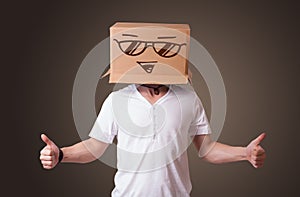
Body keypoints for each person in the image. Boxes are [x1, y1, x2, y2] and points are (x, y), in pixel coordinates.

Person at [40, 83, 266, 197]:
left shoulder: (189, 99)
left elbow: (206, 149)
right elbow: (95, 147)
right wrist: (60, 154)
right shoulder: (117, 100)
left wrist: (244, 153)